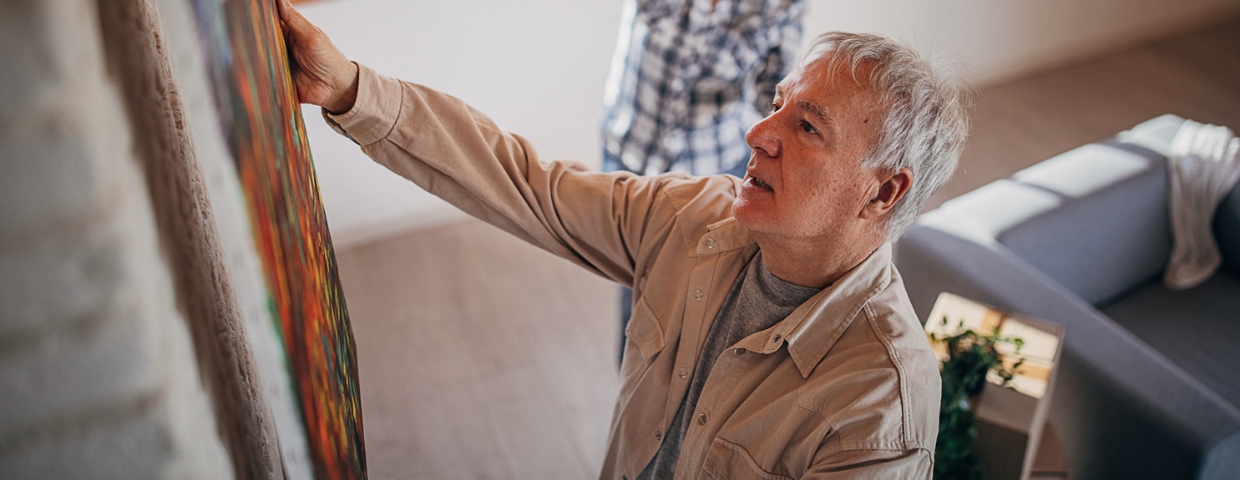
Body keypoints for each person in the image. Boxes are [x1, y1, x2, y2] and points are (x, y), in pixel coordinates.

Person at [277, 0, 969, 477]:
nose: (758, 134)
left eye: (807, 127)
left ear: (884, 192)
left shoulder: (881, 406)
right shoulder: (695, 216)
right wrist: (348, 90)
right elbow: (526, 183)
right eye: (776, 107)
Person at [601, 0, 806, 362]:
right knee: (632, 287)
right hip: (634, 144)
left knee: (698, 291)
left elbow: (774, 93)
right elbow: (660, 23)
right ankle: (630, 398)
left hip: (715, 162)